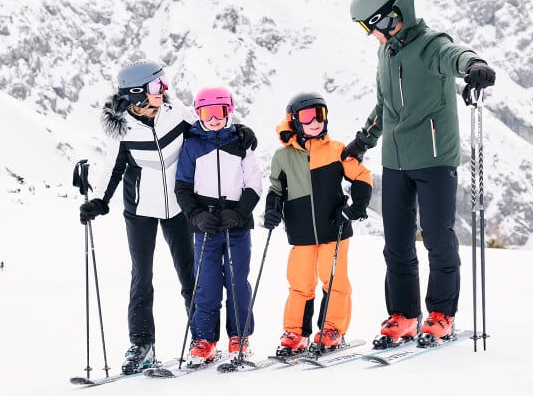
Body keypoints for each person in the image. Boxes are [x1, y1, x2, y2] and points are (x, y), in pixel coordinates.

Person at [79, 60, 258, 374]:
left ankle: (202, 339)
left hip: (178, 208)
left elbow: (210, 129)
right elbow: (113, 169)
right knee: (142, 276)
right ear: (137, 93)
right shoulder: (123, 130)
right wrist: (99, 201)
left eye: (163, 83)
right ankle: (142, 344)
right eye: (156, 85)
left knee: (192, 276)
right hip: (140, 210)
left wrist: (240, 131)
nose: (164, 89)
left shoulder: (176, 115)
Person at [344, 0, 497, 345]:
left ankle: (442, 313)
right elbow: (384, 105)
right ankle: (404, 315)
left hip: (434, 158)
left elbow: (457, 55)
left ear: (390, 18)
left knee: (437, 237)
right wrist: (364, 140)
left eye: (370, 26)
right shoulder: (386, 54)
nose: (371, 35)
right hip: (396, 160)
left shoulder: (431, 45)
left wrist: (474, 64)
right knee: (396, 243)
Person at [263, 93, 372, 356]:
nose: (315, 122)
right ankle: (296, 333)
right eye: (307, 116)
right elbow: (276, 188)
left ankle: (332, 330)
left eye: (319, 115)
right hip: (301, 232)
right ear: (294, 121)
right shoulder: (283, 156)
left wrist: (356, 208)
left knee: (334, 280)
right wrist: (272, 209)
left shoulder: (336, 150)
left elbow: (361, 176)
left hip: (334, 229)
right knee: (300, 283)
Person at [174, 86, 262, 365]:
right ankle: (204, 340)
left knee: (237, 283)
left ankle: (239, 336)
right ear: (198, 114)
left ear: (229, 111)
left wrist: (239, 213)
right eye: (206, 113)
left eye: (219, 112)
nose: (213, 119)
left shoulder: (241, 142)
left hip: (236, 226)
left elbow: (254, 184)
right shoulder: (192, 145)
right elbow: (182, 187)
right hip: (206, 227)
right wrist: (196, 216)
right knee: (206, 284)